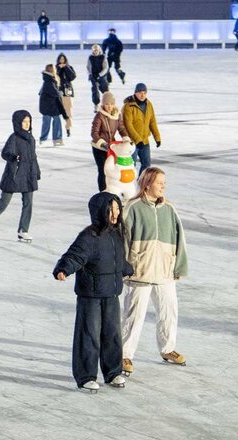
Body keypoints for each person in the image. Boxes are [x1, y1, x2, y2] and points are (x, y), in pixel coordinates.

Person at [53, 192, 134, 393]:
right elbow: (75, 255)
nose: (115, 213)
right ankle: (86, 376)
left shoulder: (116, 234)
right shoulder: (89, 236)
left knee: (112, 335)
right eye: (111, 209)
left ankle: (112, 372)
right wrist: (63, 269)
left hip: (111, 292)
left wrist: (127, 269)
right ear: (100, 211)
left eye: (117, 209)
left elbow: (117, 259)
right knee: (89, 335)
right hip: (90, 295)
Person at [120, 167, 188, 377]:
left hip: (165, 271)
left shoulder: (169, 209)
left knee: (169, 311)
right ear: (147, 183)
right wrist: (123, 267)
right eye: (159, 182)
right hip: (139, 271)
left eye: (164, 183)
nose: (163, 186)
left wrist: (179, 266)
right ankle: (124, 354)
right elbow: (123, 239)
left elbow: (180, 239)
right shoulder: (132, 207)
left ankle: (167, 349)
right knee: (134, 315)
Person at [0, 110, 40, 244]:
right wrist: (14, 157)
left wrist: (37, 171)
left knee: (28, 203)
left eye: (29, 121)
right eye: (24, 121)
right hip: (14, 174)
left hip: (29, 174)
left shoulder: (31, 138)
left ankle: (23, 230)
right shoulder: (14, 137)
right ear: (18, 122)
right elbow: (5, 153)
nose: (27, 124)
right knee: (4, 203)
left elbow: (33, 157)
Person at [91, 91, 129, 191]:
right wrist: (101, 143)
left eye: (111, 104)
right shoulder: (99, 116)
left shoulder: (117, 115)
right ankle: (103, 191)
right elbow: (94, 133)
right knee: (103, 170)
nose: (109, 106)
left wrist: (126, 138)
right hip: (99, 148)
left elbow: (121, 128)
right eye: (107, 104)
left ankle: (112, 189)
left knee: (112, 169)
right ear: (103, 104)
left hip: (111, 146)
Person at [122, 83, 161, 175]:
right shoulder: (128, 106)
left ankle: (141, 185)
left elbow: (152, 122)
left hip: (145, 141)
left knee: (147, 165)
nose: (142, 95)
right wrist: (137, 140)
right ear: (135, 93)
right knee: (131, 165)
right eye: (140, 92)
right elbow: (128, 125)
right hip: (132, 142)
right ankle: (129, 187)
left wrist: (157, 137)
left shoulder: (149, 104)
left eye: (144, 92)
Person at [38, 64, 69, 147]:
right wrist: (60, 93)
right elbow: (54, 92)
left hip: (51, 105)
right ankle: (45, 139)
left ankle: (56, 139)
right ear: (51, 70)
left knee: (55, 121)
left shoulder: (50, 79)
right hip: (48, 106)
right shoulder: (49, 80)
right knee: (48, 122)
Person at [56, 53, 76, 137]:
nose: (62, 61)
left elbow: (72, 77)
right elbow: (54, 76)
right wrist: (58, 69)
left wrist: (66, 67)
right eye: (60, 59)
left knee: (68, 111)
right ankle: (57, 131)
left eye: (63, 59)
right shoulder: (55, 68)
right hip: (59, 91)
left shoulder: (69, 67)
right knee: (57, 112)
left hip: (68, 91)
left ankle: (68, 128)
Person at [87, 44, 109, 112]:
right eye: (94, 50)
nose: (95, 51)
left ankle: (108, 104)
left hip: (102, 76)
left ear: (99, 50)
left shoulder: (103, 57)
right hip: (93, 76)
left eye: (97, 50)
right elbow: (88, 67)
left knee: (105, 91)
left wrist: (100, 75)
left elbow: (105, 68)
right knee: (95, 90)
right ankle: (96, 104)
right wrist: (90, 74)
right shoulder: (90, 57)